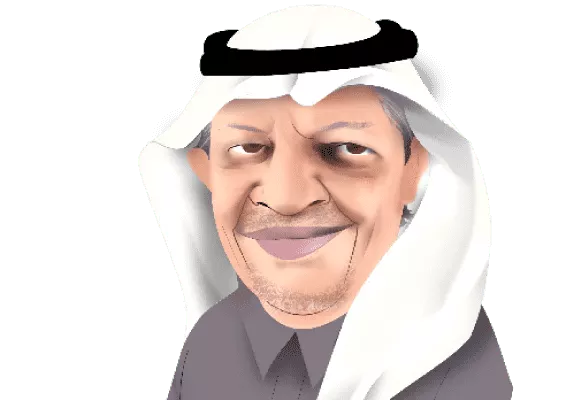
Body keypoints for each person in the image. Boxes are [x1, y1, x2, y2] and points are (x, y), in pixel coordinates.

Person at [138, 5, 512, 400]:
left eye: (345, 149)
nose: (286, 199)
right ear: (207, 173)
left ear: (412, 171)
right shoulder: (213, 342)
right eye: (249, 148)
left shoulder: (450, 367)